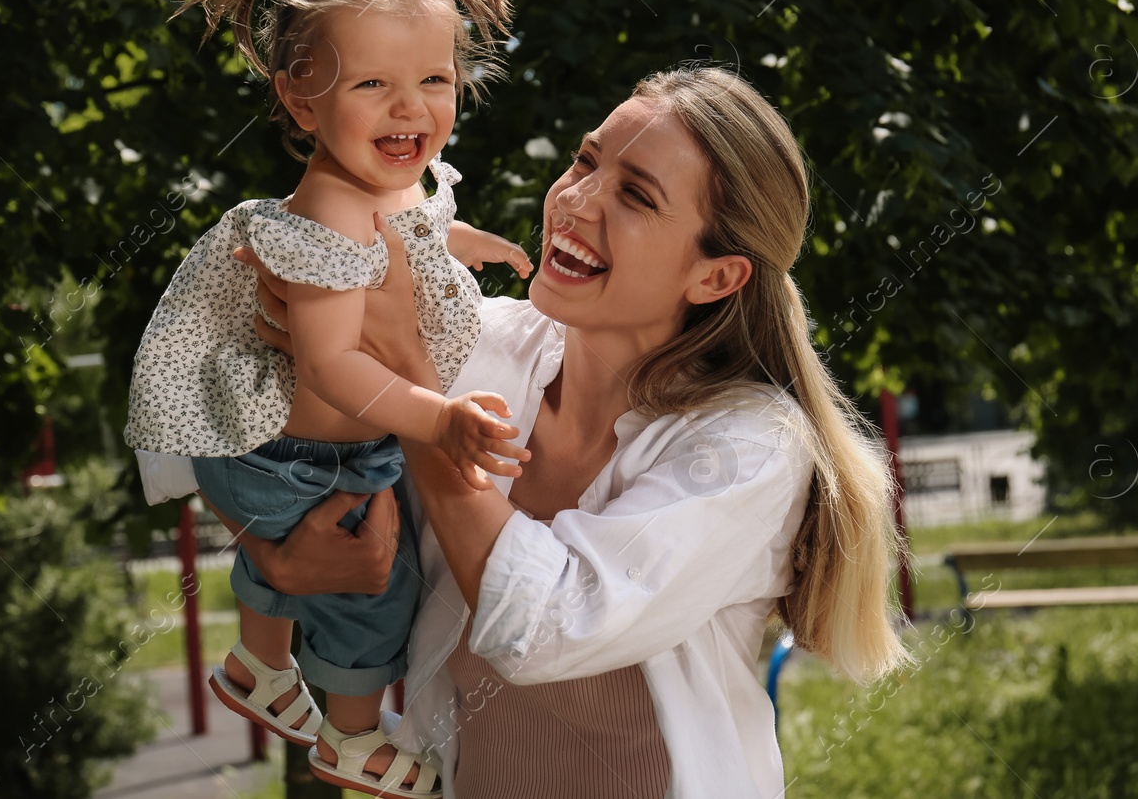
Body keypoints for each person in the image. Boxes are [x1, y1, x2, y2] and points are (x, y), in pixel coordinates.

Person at [141, 63, 911, 797]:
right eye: (586, 161)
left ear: (716, 276)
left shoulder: (746, 445)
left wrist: (406, 371)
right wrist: (277, 547)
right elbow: (280, 434)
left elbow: (542, 629)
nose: (576, 200)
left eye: (636, 196)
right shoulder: (481, 345)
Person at [124, 0, 533, 798]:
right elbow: (337, 364)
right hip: (290, 461)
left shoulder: (379, 185)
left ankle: (259, 666)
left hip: (303, 456)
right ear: (301, 101)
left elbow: (411, 234)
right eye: (373, 84)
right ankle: (352, 742)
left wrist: (468, 239)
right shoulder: (330, 213)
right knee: (374, 592)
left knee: (323, 561)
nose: (410, 109)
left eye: (433, 79)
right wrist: (437, 416)